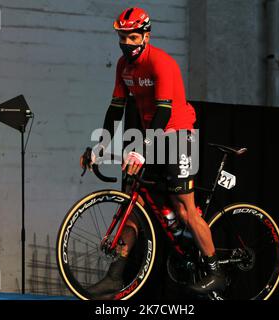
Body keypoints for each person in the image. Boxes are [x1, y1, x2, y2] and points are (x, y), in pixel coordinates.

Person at [80, 7, 227, 297]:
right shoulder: (124, 65)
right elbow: (116, 109)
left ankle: (215, 269)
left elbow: (163, 111)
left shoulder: (162, 63)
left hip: (179, 134)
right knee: (133, 208)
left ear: (146, 36)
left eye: (132, 37)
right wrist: (101, 145)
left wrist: (142, 152)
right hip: (151, 134)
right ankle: (115, 274)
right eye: (122, 37)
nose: (126, 43)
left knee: (186, 209)